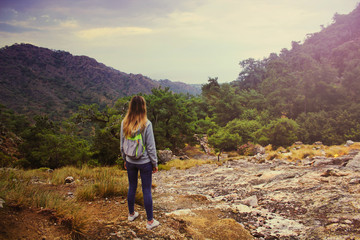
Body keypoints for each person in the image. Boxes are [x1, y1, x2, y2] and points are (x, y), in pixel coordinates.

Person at [120, 96, 160, 230]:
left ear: (130, 107)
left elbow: (122, 144)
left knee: (132, 186)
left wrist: (125, 159)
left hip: (130, 161)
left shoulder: (124, 123)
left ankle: (131, 214)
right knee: (146, 190)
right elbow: (151, 147)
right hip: (144, 162)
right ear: (143, 107)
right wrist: (154, 163)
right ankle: (150, 222)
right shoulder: (146, 124)